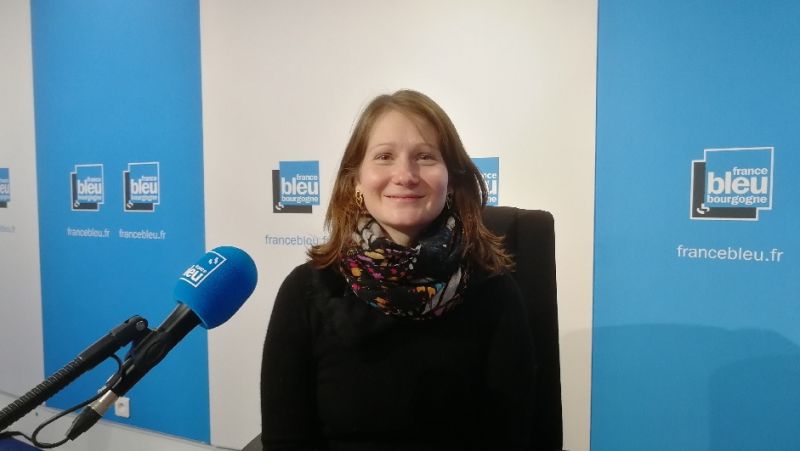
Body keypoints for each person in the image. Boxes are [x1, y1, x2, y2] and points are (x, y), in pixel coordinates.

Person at [260, 90, 536, 450]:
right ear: (356, 181)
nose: (405, 175)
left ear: (451, 180)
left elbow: (517, 438)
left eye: (425, 156)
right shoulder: (306, 291)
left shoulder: (493, 291)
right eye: (384, 156)